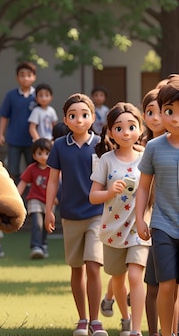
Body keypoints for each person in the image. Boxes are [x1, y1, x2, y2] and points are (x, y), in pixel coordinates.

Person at [44, 93, 107, 336]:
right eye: (73, 116)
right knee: (76, 268)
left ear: (93, 117)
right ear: (65, 120)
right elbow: (52, 181)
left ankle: (96, 321)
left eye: (84, 115)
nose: (79, 120)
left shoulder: (102, 145)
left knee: (93, 265)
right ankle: (82, 320)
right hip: (69, 214)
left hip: (97, 214)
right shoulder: (59, 146)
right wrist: (49, 210)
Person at [90, 102, 148, 336]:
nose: (126, 133)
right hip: (112, 229)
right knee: (118, 278)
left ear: (140, 129)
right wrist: (110, 191)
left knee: (135, 275)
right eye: (120, 128)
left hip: (139, 228)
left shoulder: (147, 156)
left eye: (132, 127)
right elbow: (93, 196)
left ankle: (135, 330)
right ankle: (125, 318)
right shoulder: (106, 160)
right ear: (111, 132)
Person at [135, 77, 179, 336]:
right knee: (166, 283)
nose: (174, 118)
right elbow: (143, 187)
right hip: (162, 226)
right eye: (169, 111)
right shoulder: (153, 147)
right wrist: (140, 219)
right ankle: (165, 333)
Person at [0, 61, 37, 183]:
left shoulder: (38, 96)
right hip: (14, 139)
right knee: (12, 170)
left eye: (29, 75)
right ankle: (15, 195)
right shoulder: (11, 96)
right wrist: (1, 134)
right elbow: (4, 116)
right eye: (22, 75)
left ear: (34, 77)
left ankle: (32, 196)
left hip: (32, 140)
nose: (25, 78)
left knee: (33, 168)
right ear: (17, 77)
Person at [17, 138, 53, 259]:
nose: (43, 156)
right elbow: (23, 183)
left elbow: (61, 183)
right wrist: (16, 197)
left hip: (49, 202)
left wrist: (58, 197)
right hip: (35, 199)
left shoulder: (53, 170)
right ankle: (36, 246)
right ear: (34, 155)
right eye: (40, 153)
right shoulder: (31, 168)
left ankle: (43, 244)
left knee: (46, 225)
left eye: (47, 153)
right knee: (37, 223)